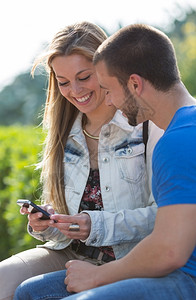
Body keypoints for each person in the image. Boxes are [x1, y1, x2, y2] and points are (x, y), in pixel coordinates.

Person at [0, 22, 163, 300]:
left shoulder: (146, 127)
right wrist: (47, 223)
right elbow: (62, 235)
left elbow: (168, 217)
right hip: (71, 254)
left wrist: (96, 225)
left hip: (130, 260)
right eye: (63, 82)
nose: (74, 90)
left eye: (84, 77)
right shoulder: (64, 133)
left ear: (105, 68)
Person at [40, 23, 195, 299]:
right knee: (31, 292)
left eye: (108, 89)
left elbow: (169, 250)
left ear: (134, 84)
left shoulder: (175, 142)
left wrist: (98, 275)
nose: (108, 100)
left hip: (185, 276)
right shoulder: (185, 127)